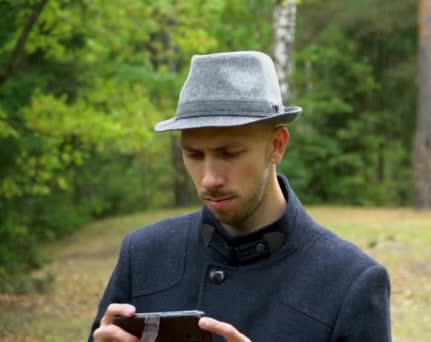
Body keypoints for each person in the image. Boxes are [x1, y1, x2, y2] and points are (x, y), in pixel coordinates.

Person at [89, 51, 391, 341]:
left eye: (229, 153)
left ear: (277, 145)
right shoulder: (143, 255)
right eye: (193, 155)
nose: (209, 179)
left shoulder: (350, 282)